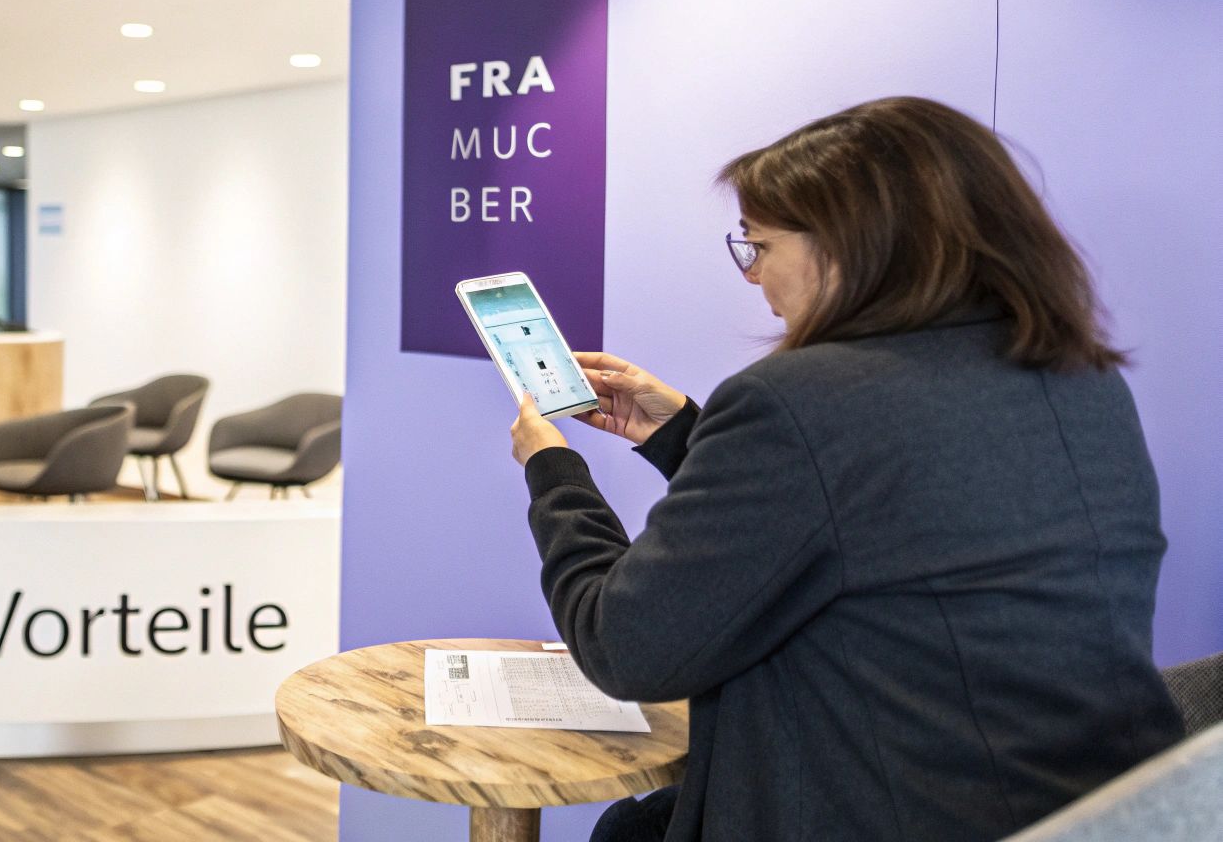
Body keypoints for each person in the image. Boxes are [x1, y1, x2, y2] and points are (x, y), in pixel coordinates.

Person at [507, 97, 1182, 842]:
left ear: (848, 246)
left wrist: (554, 471)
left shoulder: (798, 402)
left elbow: (624, 646)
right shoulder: (1082, 382)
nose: (753, 276)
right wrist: (682, 436)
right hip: (1092, 811)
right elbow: (870, 524)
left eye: (757, 245)